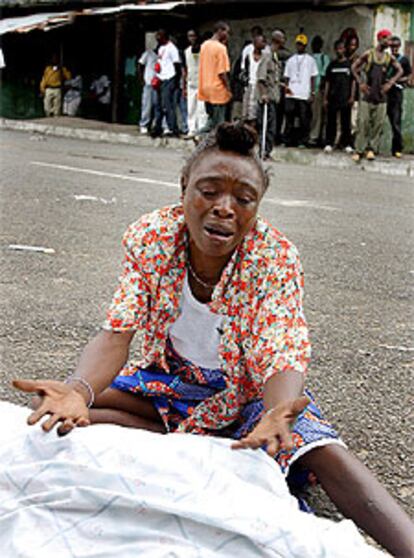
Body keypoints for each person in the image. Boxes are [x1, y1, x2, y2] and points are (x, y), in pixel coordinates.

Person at [14, 121, 414, 558]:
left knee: (317, 446)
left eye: (243, 200)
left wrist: (278, 410)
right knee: (57, 410)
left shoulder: (273, 257)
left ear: (256, 206)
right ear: (184, 187)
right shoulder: (149, 238)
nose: (225, 208)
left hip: (245, 396)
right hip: (170, 383)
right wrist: (76, 389)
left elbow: (282, 348)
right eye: (209, 191)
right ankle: (197, 440)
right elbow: (117, 332)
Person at [352, 29, 403, 162]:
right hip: (367, 95)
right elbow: (354, 67)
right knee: (363, 123)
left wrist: (390, 83)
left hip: (381, 97)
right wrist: (361, 83)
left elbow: (400, 70)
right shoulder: (369, 54)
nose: (389, 42)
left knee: (378, 124)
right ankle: (359, 150)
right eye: (387, 39)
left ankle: (371, 149)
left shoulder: (388, 57)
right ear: (380, 39)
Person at [283, 34, 318, 147]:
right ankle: (287, 140)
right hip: (291, 93)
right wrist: (286, 90)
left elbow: (313, 77)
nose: (300, 46)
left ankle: (302, 141)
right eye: (298, 44)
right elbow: (286, 77)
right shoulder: (290, 60)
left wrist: (312, 92)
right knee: (289, 118)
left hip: (304, 93)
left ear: (305, 46)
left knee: (304, 119)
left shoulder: (311, 60)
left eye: (302, 45)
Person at [198, 21, 232, 134]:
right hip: (217, 90)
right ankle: (215, 145)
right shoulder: (221, 48)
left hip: (205, 88)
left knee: (211, 119)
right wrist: (228, 89)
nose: (228, 35)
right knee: (219, 123)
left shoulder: (204, 46)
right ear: (220, 31)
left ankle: (200, 136)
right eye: (226, 32)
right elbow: (222, 72)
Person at [323, 39, 355, 153]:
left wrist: (352, 96)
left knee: (346, 122)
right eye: (338, 49)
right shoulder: (332, 65)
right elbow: (327, 82)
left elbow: (353, 82)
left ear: (344, 49)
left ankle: (347, 144)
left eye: (341, 48)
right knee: (331, 122)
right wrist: (325, 98)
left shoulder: (349, 65)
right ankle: (329, 143)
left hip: (345, 98)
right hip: (333, 97)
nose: (339, 51)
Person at [256, 30, 282, 159]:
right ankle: (263, 151)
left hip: (273, 97)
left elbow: (273, 78)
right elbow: (261, 77)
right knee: (266, 127)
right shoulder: (267, 55)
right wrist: (263, 94)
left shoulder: (274, 55)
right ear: (277, 39)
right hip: (267, 98)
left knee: (272, 127)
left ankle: (267, 151)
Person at [386, 35, 412, 158]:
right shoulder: (386, 58)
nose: (394, 49)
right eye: (392, 46)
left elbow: (409, 75)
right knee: (379, 120)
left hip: (396, 92)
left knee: (396, 122)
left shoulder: (404, 60)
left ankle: (397, 148)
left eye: (396, 46)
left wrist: (398, 80)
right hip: (385, 92)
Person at [152, 29, 181, 138]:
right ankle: (157, 128)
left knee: (168, 105)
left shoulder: (172, 48)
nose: (157, 38)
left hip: (169, 78)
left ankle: (173, 128)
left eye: (159, 35)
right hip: (160, 78)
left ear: (165, 36)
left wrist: (175, 82)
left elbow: (177, 65)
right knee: (157, 105)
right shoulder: (161, 48)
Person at [183, 30, 208, 138]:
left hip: (202, 82)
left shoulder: (204, 50)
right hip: (191, 82)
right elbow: (185, 68)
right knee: (191, 107)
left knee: (202, 109)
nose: (192, 38)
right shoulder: (186, 51)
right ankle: (192, 129)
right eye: (189, 36)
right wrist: (184, 85)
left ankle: (201, 130)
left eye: (193, 36)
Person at [308, 35, 330, 147]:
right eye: (314, 44)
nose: (315, 46)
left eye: (318, 44)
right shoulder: (309, 57)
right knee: (308, 115)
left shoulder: (324, 58)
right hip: (306, 91)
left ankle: (314, 137)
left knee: (317, 115)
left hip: (317, 90)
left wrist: (321, 90)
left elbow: (324, 75)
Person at [241, 34, 267, 126]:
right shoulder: (249, 56)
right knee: (246, 113)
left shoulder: (265, 57)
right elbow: (244, 72)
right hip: (250, 86)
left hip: (260, 87)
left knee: (256, 115)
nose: (264, 44)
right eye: (262, 41)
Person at [138, 39, 158, 134]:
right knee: (147, 105)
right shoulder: (148, 53)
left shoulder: (163, 55)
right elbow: (140, 65)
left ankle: (154, 124)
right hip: (149, 83)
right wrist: (141, 79)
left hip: (159, 84)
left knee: (157, 105)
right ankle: (144, 124)